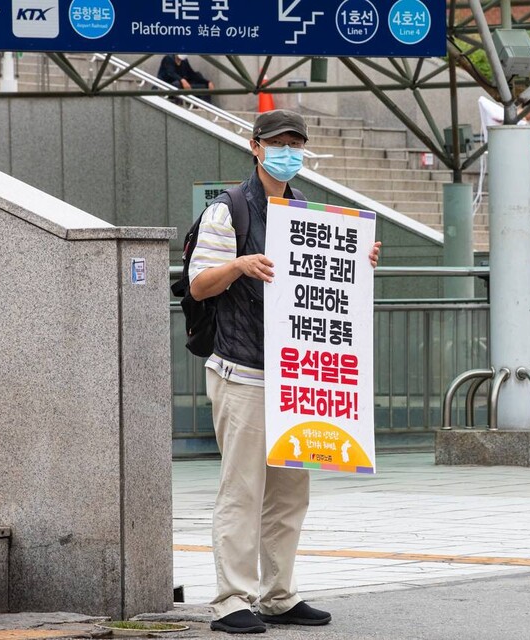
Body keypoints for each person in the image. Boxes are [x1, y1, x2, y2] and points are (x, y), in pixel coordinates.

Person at [188, 109, 382, 634]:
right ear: (255, 146)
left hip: (299, 377)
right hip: (243, 368)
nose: (287, 151)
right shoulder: (229, 210)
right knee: (243, 488)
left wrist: (359, 261)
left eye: (296, 142)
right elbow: (199, 284)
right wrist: (239, 266)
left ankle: (278, 593)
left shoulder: (308, 214)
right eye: (278, 143)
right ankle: (232, 598)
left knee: (290, 492)